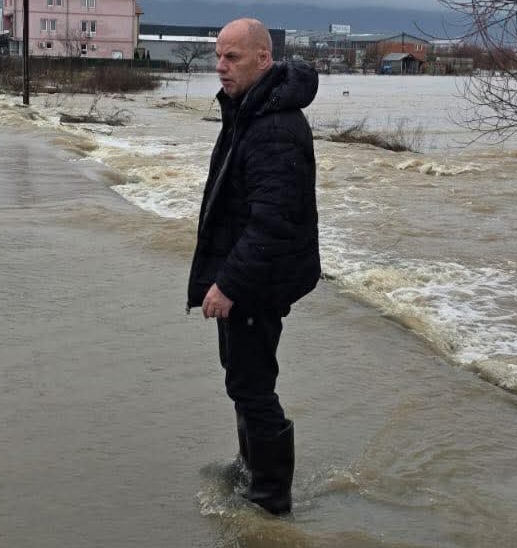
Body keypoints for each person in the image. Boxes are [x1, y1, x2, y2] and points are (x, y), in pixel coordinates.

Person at [186, 18, 320, 515]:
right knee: (242, 378)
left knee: (252, 385)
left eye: (232, 57)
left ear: (263, 59)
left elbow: (272, 221)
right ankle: (250, 469)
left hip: (259, 280)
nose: (220, 67)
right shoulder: (250, 108)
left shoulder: (274, 127)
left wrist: (228, 284)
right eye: (218, 56)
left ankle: (270, 499)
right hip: (251, 272)